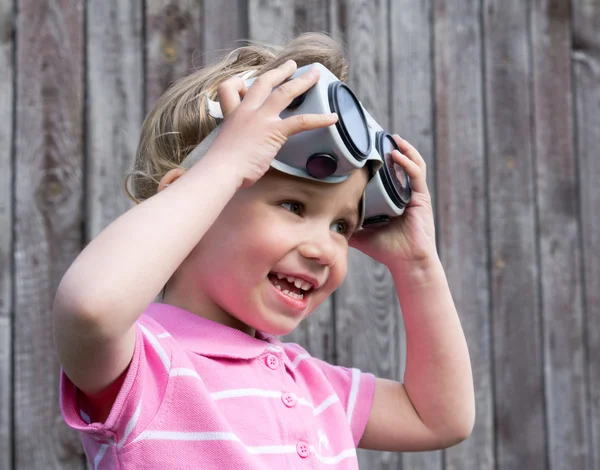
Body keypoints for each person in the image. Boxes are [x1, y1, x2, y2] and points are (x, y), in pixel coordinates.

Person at [53, 33, 474, 469]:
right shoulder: (143, 368)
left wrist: (419, 266)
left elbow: (439, 418)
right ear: (193, 202)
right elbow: (89, 309)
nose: (325, 250)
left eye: (341, 226)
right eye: (293, 206)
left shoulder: (313, 386)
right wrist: (225, 165)